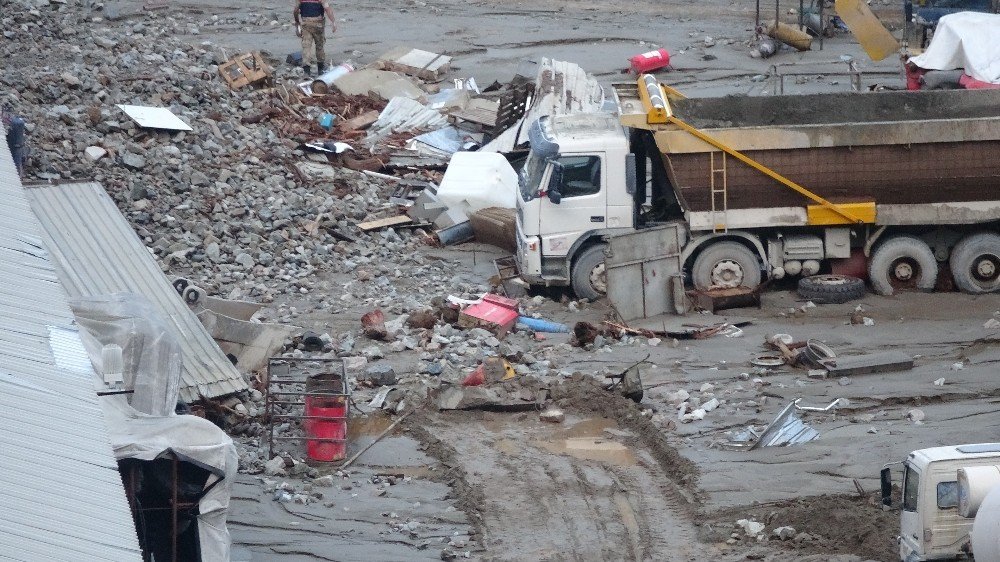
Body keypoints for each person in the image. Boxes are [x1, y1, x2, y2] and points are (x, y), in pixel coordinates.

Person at [294, 0, 336, 76]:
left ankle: (306, 70)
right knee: (320, 45)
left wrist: (297, 23)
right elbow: (327, 9)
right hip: (318, 23)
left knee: (306, 45)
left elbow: (296, 10)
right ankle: (320, 68)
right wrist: (333, 22)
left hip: (305, 23)